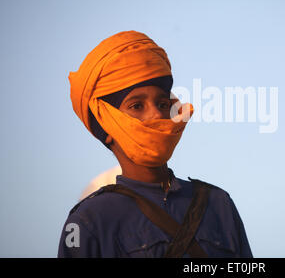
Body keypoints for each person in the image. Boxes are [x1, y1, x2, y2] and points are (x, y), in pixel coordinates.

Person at [58, 30, 253, 258]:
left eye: (162, 103)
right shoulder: (89, 221)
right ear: (106, 123)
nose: (156, 115)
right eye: (137, 106)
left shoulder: (218, 205)